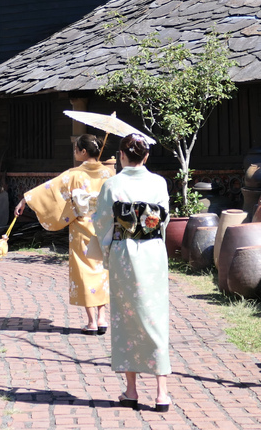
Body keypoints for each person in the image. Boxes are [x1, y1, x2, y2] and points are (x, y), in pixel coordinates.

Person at [90, 132, 171, 413]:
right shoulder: (158, 182)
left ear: (122, 156)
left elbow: (101, 221)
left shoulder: (112, 184)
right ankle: (162, 394)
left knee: (126, 319)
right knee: (155, 317)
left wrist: (106, 249)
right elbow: (164, 219)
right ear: (146, 156)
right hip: (153, 252)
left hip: (125, 253)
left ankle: (132, 390)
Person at [14, 133, 114, 334]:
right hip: (104, 227)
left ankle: (91, 321)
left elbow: (49, 190)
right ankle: (103, 319)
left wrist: (26, 200)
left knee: (85, 271)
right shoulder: (109, 174)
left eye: (76, 149)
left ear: (84, 152)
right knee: (103, 271)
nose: (75, 152)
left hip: (81, 227)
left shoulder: (74, 174)